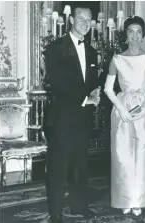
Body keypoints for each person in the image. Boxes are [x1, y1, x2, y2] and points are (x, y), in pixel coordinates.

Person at [44, 5, 100, 223]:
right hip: (61, 118)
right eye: (81, 19)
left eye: (89, 20)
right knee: (58, 167)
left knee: (80, 165)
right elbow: (57, 83)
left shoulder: (93, 51)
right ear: (71, 21)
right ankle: (56, 212)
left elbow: (92, 82)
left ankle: (79, 206)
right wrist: (86, 98)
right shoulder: (55, 49)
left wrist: (96, 92)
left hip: (82, 118)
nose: (85, 23)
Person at [104, 16, 145, 216]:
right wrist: (121, 109)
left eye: (139, 31)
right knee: (124, 155)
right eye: (131, 31)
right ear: (125, 34)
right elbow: (108, 89)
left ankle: (141, 199)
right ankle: (126, 198)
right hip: (123, 111)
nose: (135, 36)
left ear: (143, 34)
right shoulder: (117, 59)